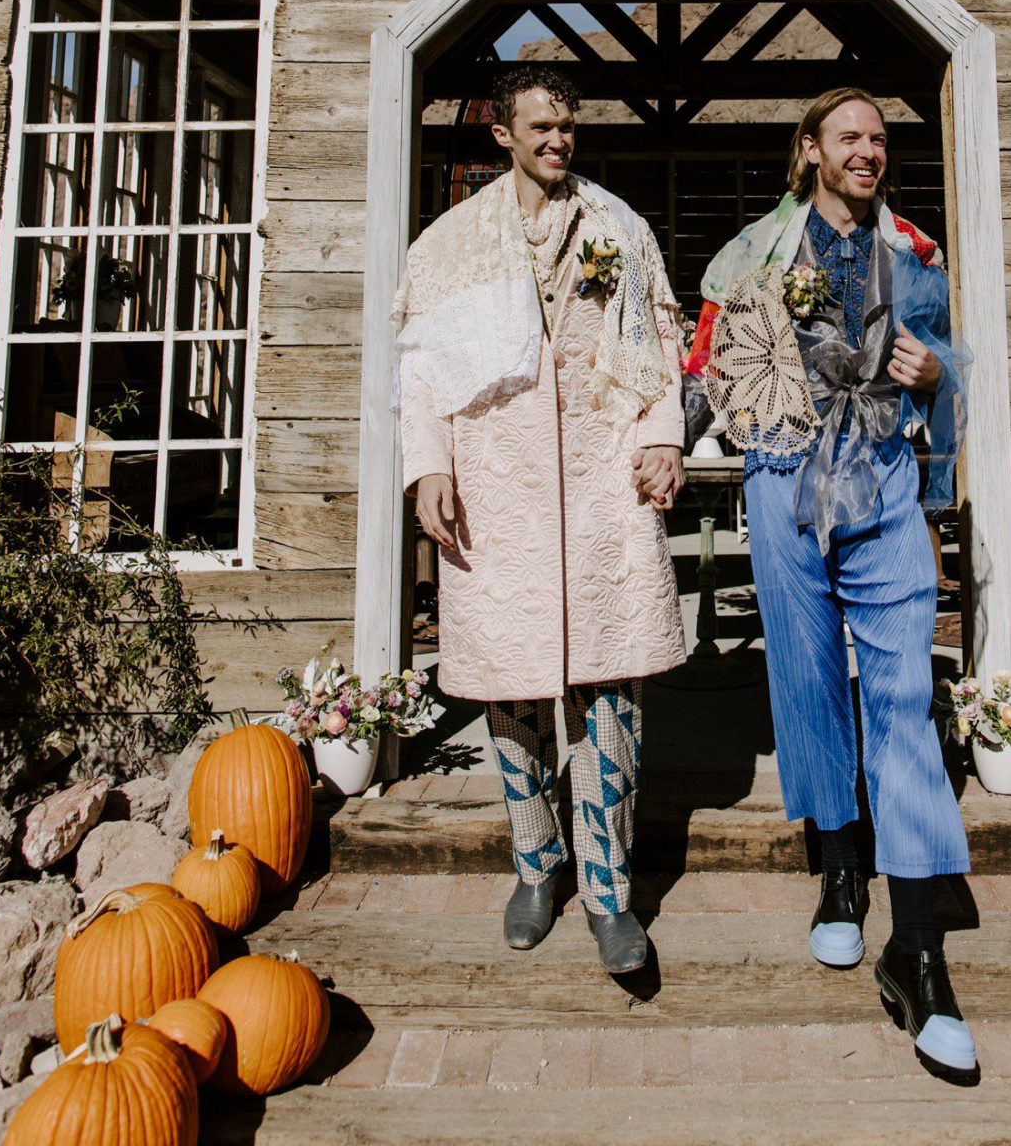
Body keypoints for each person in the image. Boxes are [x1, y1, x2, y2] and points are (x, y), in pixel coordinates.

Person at [688, 87, 977, 1082]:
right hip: (782, 475)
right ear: (808, 149)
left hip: (886, 478)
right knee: (807, 677)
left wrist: (934, 377)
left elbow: (955, 368)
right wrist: (665, 436)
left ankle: (922, 951)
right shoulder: (752, 254)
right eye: (850, 136)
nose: (870, 150)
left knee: (903, 693)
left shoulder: (919, 254)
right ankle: (842, 869)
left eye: (880, 139)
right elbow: (704, 362)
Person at [393, 65, 687, 975]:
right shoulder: (447, 245)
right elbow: (421, 371)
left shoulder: (619, 228)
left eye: (568, 126)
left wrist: (664, 437)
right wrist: (429, 468)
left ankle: (610, 894)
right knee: (509, 689)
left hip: (603, 490)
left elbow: (661, 343)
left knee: (612, 692)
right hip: (499, 491)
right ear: (502, 135)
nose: (558, 140)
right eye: (542, 127)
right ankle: (535, 864)